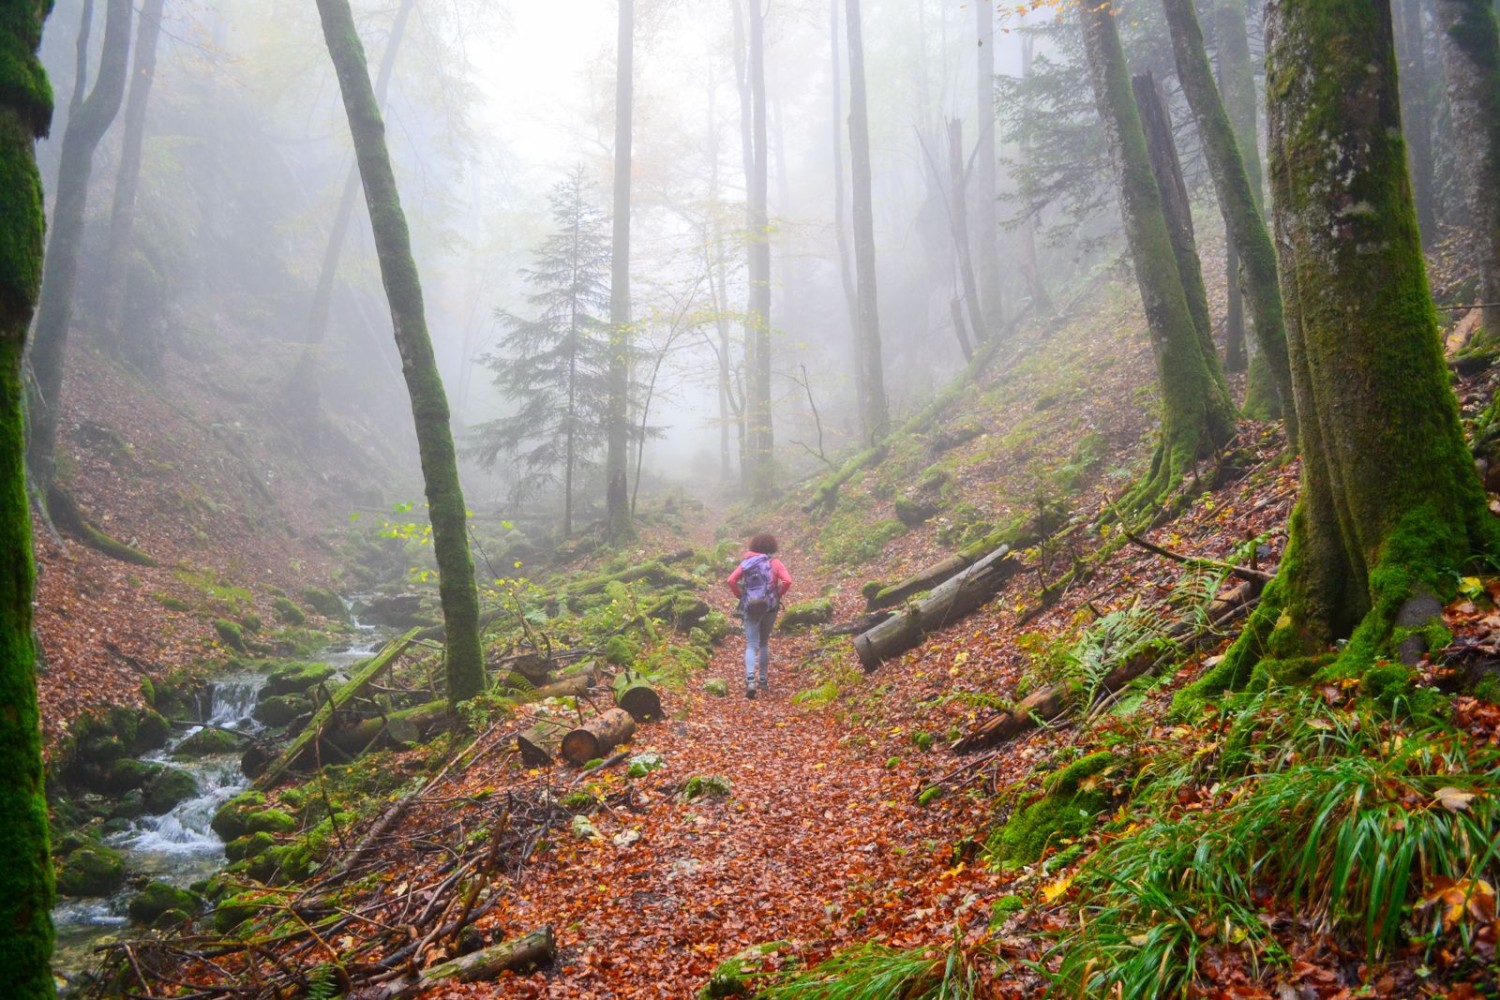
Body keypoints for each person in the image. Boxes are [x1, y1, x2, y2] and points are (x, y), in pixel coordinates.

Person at [725, 532, 792, 699]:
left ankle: (750, 680)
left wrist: (741, 596)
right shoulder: (775, 563)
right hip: (770, 607)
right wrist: (778, 594)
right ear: (772, 547)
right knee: (763, 643)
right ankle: (763, 679)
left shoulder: (747, 562)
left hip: (751, 607)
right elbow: (787, 581)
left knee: (750, 645)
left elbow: (731, 580)